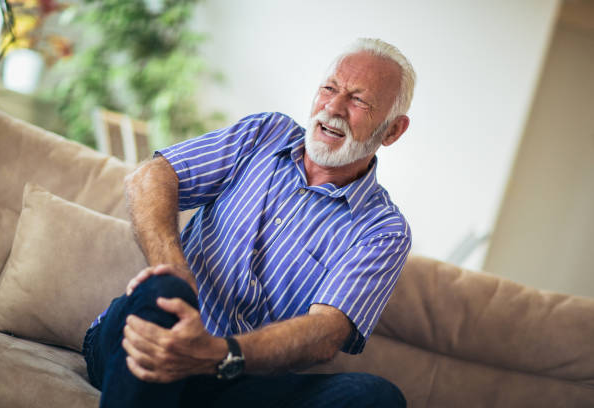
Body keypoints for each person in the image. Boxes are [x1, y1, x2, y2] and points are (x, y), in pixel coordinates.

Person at [82, 38, 415, 407]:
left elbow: (325, 334)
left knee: (376, 397)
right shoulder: (263, 135)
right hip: (141, 339)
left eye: (358, 100)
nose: (333, 108)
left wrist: (216, 354)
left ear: (392, 131)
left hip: (233, 378)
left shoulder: (384, 230)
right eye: (329, 88)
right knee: (165, 294)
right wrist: (173, 269)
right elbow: (150, 177)